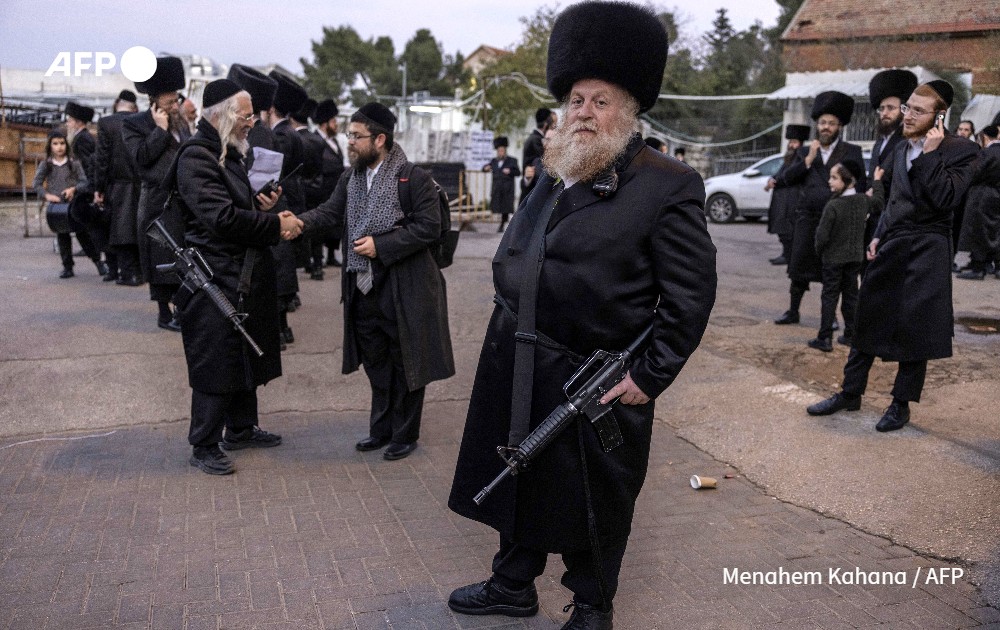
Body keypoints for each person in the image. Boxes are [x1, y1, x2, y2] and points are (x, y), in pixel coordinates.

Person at [446, 4, 717, 629]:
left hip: (594, 379)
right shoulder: (558, 167)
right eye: (576, 99)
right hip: (521, 362)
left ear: (629, 111)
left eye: (601, 101)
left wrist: (650, 376)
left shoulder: (667, 184)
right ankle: (513, 584)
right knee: (520, 475)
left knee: (593, 499)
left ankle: (594, 607)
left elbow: (690, 296)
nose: (584, 113)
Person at [807, 80, 978, 432]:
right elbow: (894, 199)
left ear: (939, 115)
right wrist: (879, 235)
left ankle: (900, 405)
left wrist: (930, 155)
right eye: (907, 107)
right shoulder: (899, 147)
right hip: (893, 241)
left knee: (916, 329)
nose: (908, 115)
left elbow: (946, 198)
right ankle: (850, 393)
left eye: (918, 110)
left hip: (929, 247)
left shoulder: (963, 150)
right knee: (867, 316)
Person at [289, 102, 455, 461]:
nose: (349, 142)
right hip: (362, 287)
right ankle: (380, 430)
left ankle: (404, 434)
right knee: (376, 361)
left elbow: (429, 228)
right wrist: (299, 222)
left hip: (403, 286)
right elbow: (331, 212)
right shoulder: (351, 177)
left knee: (406, 360)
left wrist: (382, 245)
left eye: (356, 136)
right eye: (349, 135)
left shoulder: (413, 178)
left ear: (380, 139)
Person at [171, 80, 298, 475]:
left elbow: (233, 207)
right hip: (213, 276)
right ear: (224, 115)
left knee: (241, 353)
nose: (252, 123)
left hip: (237, 272)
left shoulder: (225, 152)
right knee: (216, 360)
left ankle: (241, 428)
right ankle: (204, 443)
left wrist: (260, 206)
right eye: (246, 116)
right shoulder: (197, 157)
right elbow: (219, 219)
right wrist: (273, 225)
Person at [773, 91, 866, 327]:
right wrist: (807, 160)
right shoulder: (805, 152)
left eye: (831, 123)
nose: (826, 127)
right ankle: (793, 311)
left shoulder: (851, 151)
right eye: (822, 122)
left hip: (836, 224)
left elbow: (860, 185)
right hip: (806, 220)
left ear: (840, 126)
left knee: (831, 272)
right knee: (798, 270)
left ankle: (830, 317)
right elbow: (785, 179)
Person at [122, 56, 190, 332]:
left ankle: (181, 309)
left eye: (177, 100)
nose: (175, 105)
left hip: (181, 201)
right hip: (155, 203)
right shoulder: (135, 124)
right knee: (159, 257)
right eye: (170, 101)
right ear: (154, 99)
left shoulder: (182, 122)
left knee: (181, 258)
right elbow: (140, 160)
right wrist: (160, 132)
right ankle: (164, 314)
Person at [808, 160, 884, 351]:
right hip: (855, 258)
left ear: (848, 180)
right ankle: (850, 335)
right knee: (851, 297)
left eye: (834, 177)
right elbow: (879, 203)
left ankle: (824, 338)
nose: (830, 181)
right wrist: (877, 181)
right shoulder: (862, 201)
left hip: (833, 259)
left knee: (829, 297)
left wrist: (819, 252)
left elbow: (822, 236)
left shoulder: (833, 205)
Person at [266, 70, 309, 345]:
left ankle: (280, 327)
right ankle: (283, 326)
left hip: (280, 201)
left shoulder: (279, 136)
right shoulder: (291, 132)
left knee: (279, 265)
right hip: (291, 198)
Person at [865, 69, 917, 274]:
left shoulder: (907, 142)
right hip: (873, 215)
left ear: (903, 110)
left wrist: (877, 186)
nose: (885, 112)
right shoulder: (879, 142)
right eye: (881, 108)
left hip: (894, 218)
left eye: (890, 108)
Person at [34, 130, 103, 278]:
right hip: (57, 207)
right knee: (62, 236)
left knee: (83, 234)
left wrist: (74, 189)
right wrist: (47, 195)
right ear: (50, 146)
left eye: (62, 143)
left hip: (74, 205)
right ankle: (67, 267)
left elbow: (84, 181)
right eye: (55, 144)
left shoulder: (74, 163)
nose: (59, 147)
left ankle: (98, 262)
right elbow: (37, 183)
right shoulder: (46, 164)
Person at [93, 90, 143, 285]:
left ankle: (128, 273)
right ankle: (140, 272)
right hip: (141, 183)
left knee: (120, 230)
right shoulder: (142, 120)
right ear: (134, 106)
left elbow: (102, 159)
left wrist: (99, 187)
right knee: (138, 228)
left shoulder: (106, 123)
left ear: (117, 103)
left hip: (118, 184)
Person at [64, 101, 111, 278]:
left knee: (89, 227)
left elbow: (89, 167)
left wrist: (82, 188)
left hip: (86, 190)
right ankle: (99, 261)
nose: (67, 123)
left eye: (70, 120)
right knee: (82, 226)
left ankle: (101, 262)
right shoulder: (84, 137)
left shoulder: (81, 139)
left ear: (78, 122)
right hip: (86, 188)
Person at [956, 124, 1000, 279]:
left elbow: (975, 172)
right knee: (995, 231)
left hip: (981, 196)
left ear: (985, 137)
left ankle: (978, 268)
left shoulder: (986, 153)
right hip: (997, 194)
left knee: (978, 230)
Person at [765, 124, 809, 265]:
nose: (791, 145)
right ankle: (786, 254)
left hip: (792, 200)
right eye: (790, 142)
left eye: (794, 142)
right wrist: (772, 179)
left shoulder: (801, 157)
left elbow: (791, 175)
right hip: (782, 200)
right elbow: (781, 173)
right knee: (782, 229)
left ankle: (789, 256)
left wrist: (777, 181)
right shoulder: (789, 158)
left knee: (789, 231)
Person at [313, 99, 346, 267]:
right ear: (325, 123)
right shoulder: (314, 140)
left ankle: (332, 255)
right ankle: (318, 258)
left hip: (334, 189)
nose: (336, 124)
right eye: (334, 121)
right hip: (322, 191)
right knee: (322, 225)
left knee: (335, 225)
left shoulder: (334, 141)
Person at [483, 136, 521, 232]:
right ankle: (502, 223)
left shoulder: (512, 160)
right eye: (499, 151)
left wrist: (510, 171)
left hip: (507, 189)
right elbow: (484, 168)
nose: (501, 152)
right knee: (497, 206)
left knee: (506, 207)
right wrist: (485, 168)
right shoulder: (494, 161)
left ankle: (502, 225)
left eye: (502, 151)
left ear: (505, 151)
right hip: (497, 188)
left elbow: (518, 172)